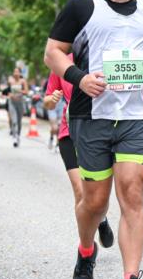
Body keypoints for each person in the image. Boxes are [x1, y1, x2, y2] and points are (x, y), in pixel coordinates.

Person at [44, 0, 143, 279]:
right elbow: (52, 52)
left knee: (133, 191)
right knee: (94, 202)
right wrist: (79, 79)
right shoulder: (81, 6)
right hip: (91, 116)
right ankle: (86, 249)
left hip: (135, 116)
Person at [43, 65, 115, 248]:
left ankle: (101, 218)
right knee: (80, 190)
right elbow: (48, 102)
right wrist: (52, 99)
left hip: (99, 133)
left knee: (97, 195)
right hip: (69, 133)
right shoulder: (61, 62)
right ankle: (87, 245)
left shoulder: (101, 56)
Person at [4, 67, 28, 147]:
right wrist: (9, 94)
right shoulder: (10, 80)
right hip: (12, 102)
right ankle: (14, 137)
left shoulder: (23, 81)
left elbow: (26, 91)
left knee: (19, 121)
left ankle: (18, 135)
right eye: (14, 72)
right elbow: (7, 91)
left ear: (20, 73)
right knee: (13, 120)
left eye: (17, 72)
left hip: (20, 102)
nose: (16, 73)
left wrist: (19, 91)